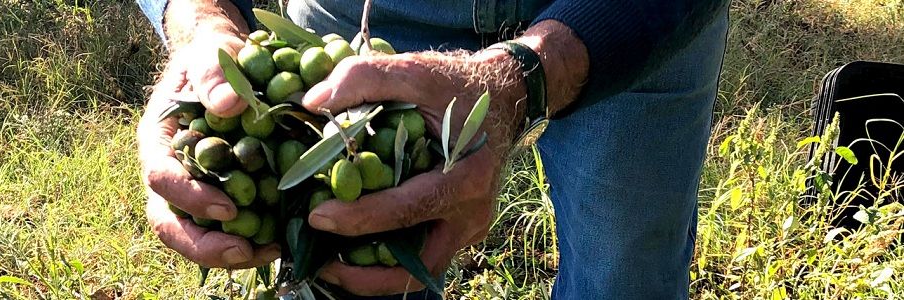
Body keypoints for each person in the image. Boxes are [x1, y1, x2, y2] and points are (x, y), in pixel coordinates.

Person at [136, 0, 730, 298]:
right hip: (362, 18)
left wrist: (534, 73)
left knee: (625, 276)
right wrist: (202, 20)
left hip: (626, 19)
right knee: (347, 274)